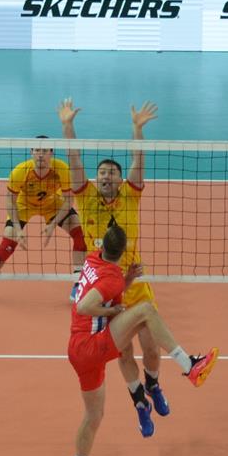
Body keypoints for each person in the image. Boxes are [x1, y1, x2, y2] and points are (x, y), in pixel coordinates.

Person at [67, 224, 219, 456]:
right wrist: (113, 309)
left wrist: (125, 281)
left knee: (93, 416)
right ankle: (189, 366)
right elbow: (84, 306)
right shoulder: (111, 279)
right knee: (147, 310)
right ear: (123, 252)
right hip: (91, 345)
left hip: (77, 349)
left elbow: (102, 289)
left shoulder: (93, 259)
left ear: (102, 246)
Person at [59, 98, 171, 438]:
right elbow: (74, 159)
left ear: (121, 180)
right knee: (124, 353)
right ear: (97, 179)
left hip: (136, 286)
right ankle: (139, 404)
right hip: (107, 291)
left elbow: (139, 160)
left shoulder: (130, 195)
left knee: (151, 349)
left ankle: (153, 385)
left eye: (113, 172)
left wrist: (137, 129)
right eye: (103, 172)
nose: (107, 175)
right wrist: (67, 126)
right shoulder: (85, 197)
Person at [0, 136, 79, 307]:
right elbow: (10, 201)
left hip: (52, 203)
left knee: (80, 234)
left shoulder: (62, 169)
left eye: (44, 150)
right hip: (24, 205)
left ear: (51, 153)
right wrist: (17, 228)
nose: (40, 154)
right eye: (37, 150)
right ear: (31, 152)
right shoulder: (20, 171)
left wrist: (53, 224)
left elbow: (69, 200)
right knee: (7, 244)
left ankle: (79, 282)